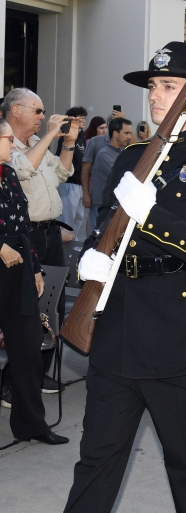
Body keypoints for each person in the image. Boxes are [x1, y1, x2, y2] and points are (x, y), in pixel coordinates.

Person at [56, 41, 186, 513]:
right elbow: (106, 224)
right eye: (152, 86)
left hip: (182, 338)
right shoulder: (131, 158)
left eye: (168, 86)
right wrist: (93, 255)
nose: (156, 96)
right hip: (118, 332)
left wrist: (153, 216)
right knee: (95, 463)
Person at [3, 87, 79, 395]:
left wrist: (69, 143)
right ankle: (12, 381)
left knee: (52, 304)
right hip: (25, 236)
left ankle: (39, 372)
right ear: (16, 110)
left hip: (50, 233)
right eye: (37, 110)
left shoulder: (37, 142)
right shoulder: (5, 144)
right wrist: (49, 136)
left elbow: (61, 173)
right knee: (24, 307)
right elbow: (22, 169)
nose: (43, 116)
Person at [0, 117, 68, 445]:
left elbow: (23, 225)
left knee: (28, 349)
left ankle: (32, 426)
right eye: (7, 139)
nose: (12, 145)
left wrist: (36, 268)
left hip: (19, 271)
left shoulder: (8, 174)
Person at [87, 118, 132, 231]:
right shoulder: (104, 154)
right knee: (97, 239)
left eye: (130, 133)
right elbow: (124, 177)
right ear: (115, 133)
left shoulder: (123, 152)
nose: (129, 137)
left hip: (113, 204)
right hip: (102, 205)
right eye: (126, 133)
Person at [56, 106, 88, 241]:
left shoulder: (82, 136)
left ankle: (74, 243)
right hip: (69, 181)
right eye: (80, 118)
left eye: (84, 118)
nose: (83, 120)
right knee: (68, 217)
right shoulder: (67, 136)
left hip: (80, 182)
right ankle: (64, 244)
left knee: (79, 216)